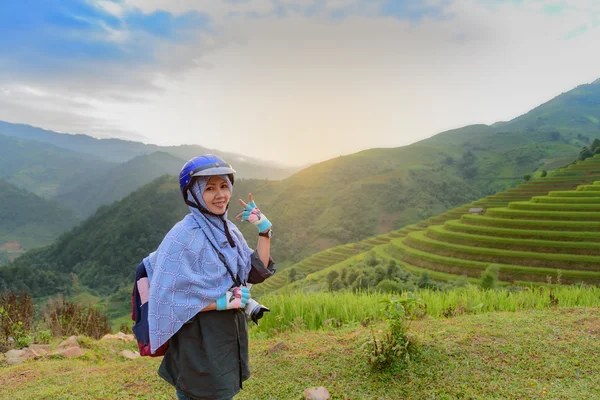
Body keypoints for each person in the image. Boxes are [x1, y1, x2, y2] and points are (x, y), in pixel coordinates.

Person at [141, 154, 276, 400]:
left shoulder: (228, 230)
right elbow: (170, 298)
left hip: (227, 337)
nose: (220, 195)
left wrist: (264, 230)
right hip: (198, 342)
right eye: (210, 188)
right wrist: (221, 302)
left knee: (224, 392)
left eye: (224, 186)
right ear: (193, 194)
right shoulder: (182, 236)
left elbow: (254, 271)